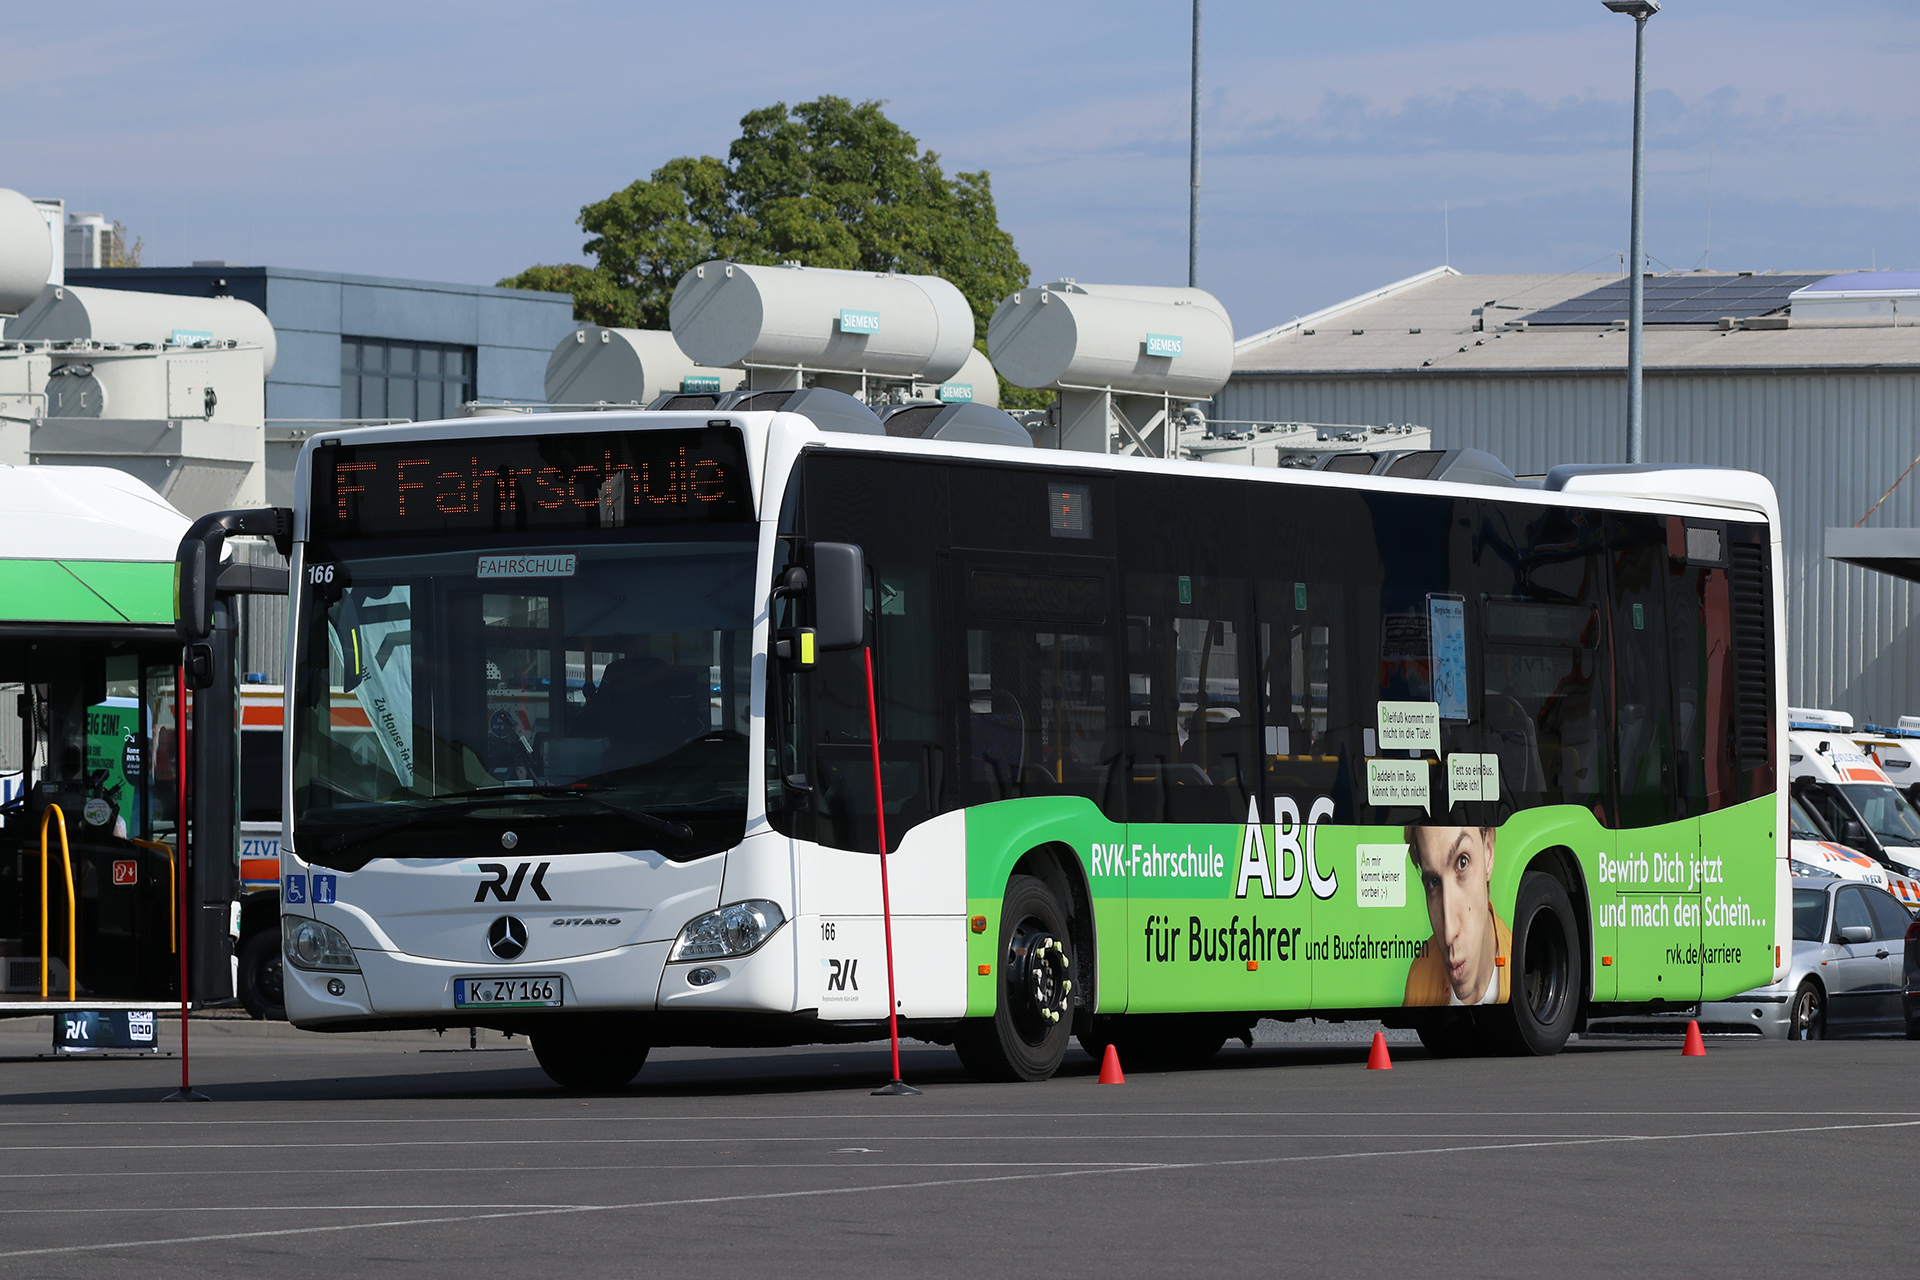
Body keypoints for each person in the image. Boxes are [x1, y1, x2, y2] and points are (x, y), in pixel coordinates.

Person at [1403, 824, 1511, 1006]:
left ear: (1488, 851)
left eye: (1462, 862)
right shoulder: (1419, 980)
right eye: (1433, 883)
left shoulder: (1522, 966)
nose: (1449, 933)